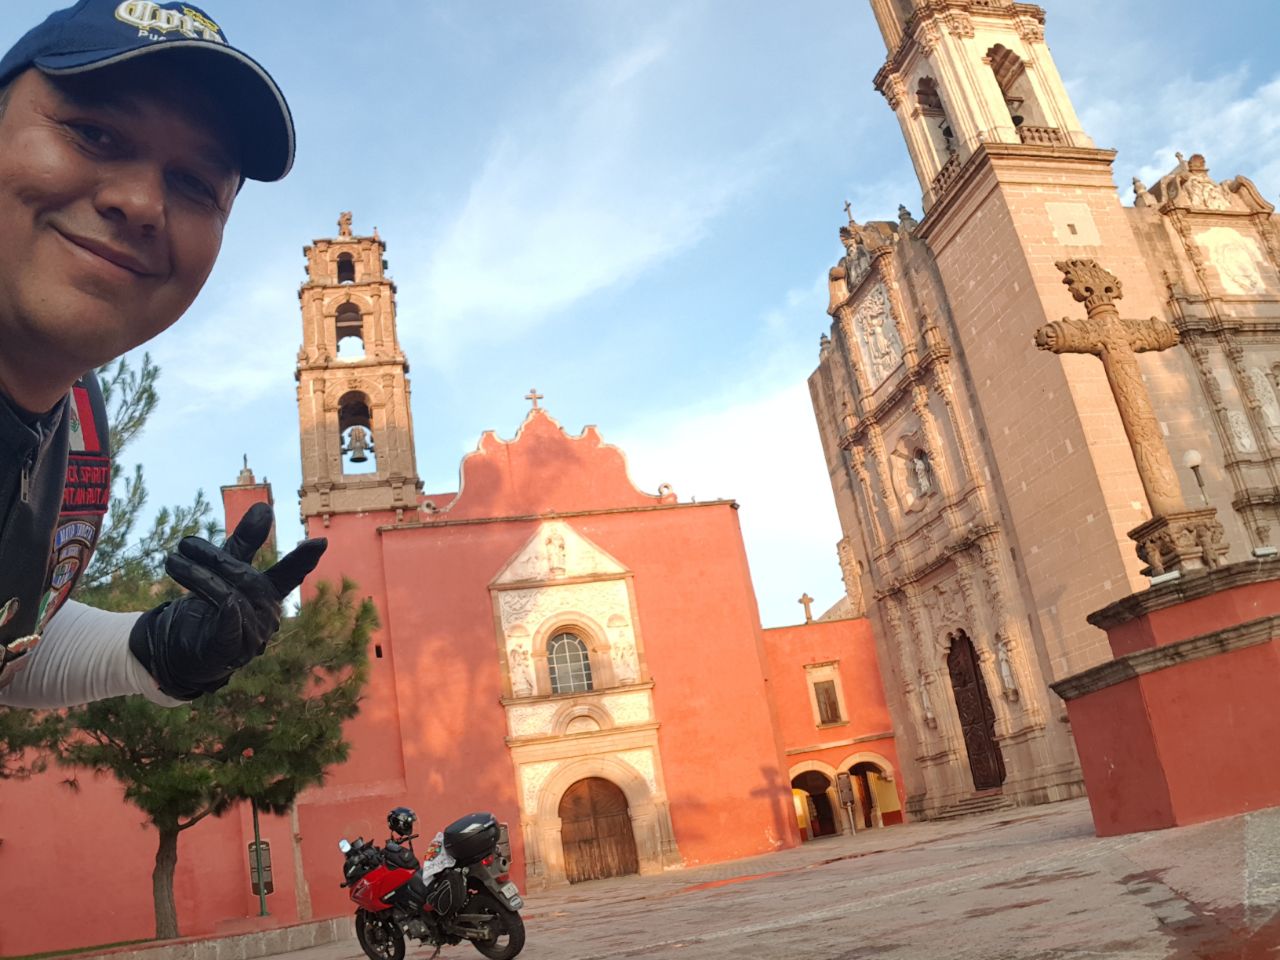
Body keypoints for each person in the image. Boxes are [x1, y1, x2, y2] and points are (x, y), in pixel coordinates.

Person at [0, 0, 326, 709]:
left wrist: (155, 649)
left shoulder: (77, 425)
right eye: (92, 132)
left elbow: (12, 632)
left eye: (192, 185)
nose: (143, 203)